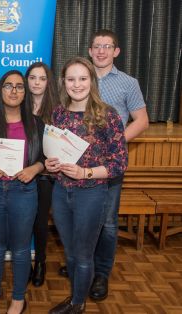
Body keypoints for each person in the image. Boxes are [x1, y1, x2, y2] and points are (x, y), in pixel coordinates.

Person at [58, 30, 149, 301]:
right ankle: (81, 268)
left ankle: (101, 274)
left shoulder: (127, 84)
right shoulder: (68, 96)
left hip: (104, 172)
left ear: (115, 51)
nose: (101, 51)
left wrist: (111, 144)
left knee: (107, 224)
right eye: (96, 46)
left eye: (107, 46)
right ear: (89, 51)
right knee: (78, 230)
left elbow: (141, 121)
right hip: (71, 176)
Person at [46, 57, 128, 314]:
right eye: (71, 79)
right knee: (70, 253)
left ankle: (78, 304)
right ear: (63, 82)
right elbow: (53, 150)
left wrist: (86, 171)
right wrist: (50, 164)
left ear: (91, 80)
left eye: (83, 78)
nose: (77, 84)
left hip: (91, 194)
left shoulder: (107, 115)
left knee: (83, 255)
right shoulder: (58, 112)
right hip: (60, 191)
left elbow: (119, 163)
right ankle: (75, 297)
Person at [0, 70, 44, 314]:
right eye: (8, 86)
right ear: (0, 90)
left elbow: (48, 158)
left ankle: (18, 298)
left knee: (21, 247)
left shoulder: (37, 124)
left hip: (24, 190)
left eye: (19, 86)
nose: (14, 90)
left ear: (25, 92)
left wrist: (35, 168)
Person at [24, 62, 59, 287]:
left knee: (39, 222)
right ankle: (24, 260)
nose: (37, 82)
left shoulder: (57, 110)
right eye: (33, 78)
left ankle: (41, 262)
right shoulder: (18, 106)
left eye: (42, 78)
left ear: (48, 82)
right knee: (22, 221)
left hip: (46, 175)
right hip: (21, 173)